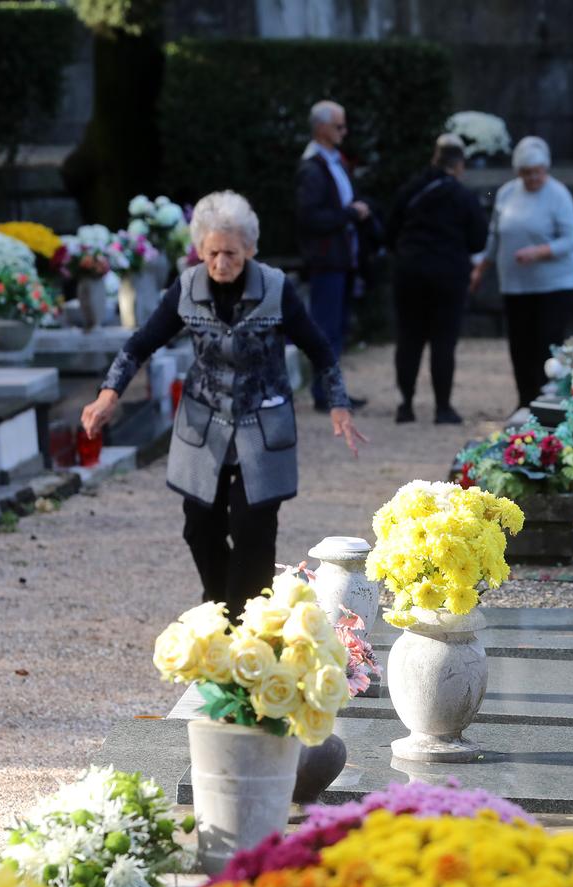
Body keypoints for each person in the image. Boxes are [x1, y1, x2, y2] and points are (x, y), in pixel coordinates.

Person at [83, 191, 368, 616]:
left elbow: (320, 349)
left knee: (253, 528)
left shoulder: (275, 287)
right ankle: (219, 611)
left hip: (262, 422)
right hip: (204, 423)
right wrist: (109, 394)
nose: (220, 263)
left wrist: (339, 405)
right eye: (212, 252)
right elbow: (141, 343)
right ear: (199, 249)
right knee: (200, 526)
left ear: (249, 249)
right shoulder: (186, 288)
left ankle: (245, 623)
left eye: (231, 253)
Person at [470, 135, 573, 410]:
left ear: (546, 168)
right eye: (526, 172)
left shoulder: (558, 194)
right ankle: (525, 401)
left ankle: (549, 402)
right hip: (516, 284)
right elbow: (495, 235)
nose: (532, 178)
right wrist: (481, 267)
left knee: (547, 344)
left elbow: (571, 239)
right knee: (520, 346)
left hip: (554, 284)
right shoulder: (507, 192)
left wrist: (539, 251)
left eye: (537, 172)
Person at [385, 134, 486, 425]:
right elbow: (478, 240)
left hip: (410, 273)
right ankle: (443, 407)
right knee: (443, 340)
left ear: (435, 158)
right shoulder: (463, 196)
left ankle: (405, 405)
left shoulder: (411, 189)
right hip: (448, 276)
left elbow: (390, 231)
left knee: (409, 339)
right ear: (460, 164)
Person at [295, 99, 370, 413]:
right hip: (327, 260)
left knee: (336, 329)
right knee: (326, 329)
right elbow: (310, 217)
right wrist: (349, 214)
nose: (344, 131)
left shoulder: (333, 162)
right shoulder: (313, 167)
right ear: (322, 127)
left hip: (341, 258)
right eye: (339, 125)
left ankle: (333, 391)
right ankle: (325, 393)